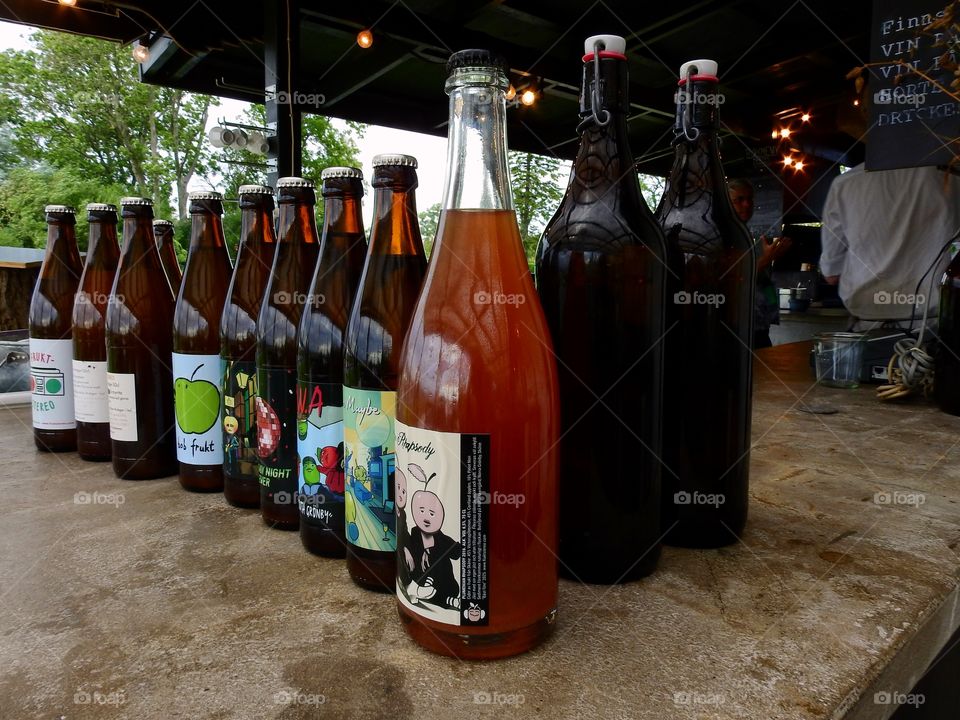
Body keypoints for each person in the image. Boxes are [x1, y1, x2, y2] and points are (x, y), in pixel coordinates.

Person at [820, 164, 960, 329]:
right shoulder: (952, 177)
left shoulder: (844, 183)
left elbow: (831, 275)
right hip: (935, 324)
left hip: (868, 323)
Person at [728, 178, 792, 348]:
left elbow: (762, 280)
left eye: (750, 199)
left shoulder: (750, 235)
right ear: (726, 204)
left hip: (759, 323)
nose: (747, 204)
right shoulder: (722, 236)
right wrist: (767, 259)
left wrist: (771, 310)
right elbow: (734, 280)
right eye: (739, 200)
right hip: (737, 327)